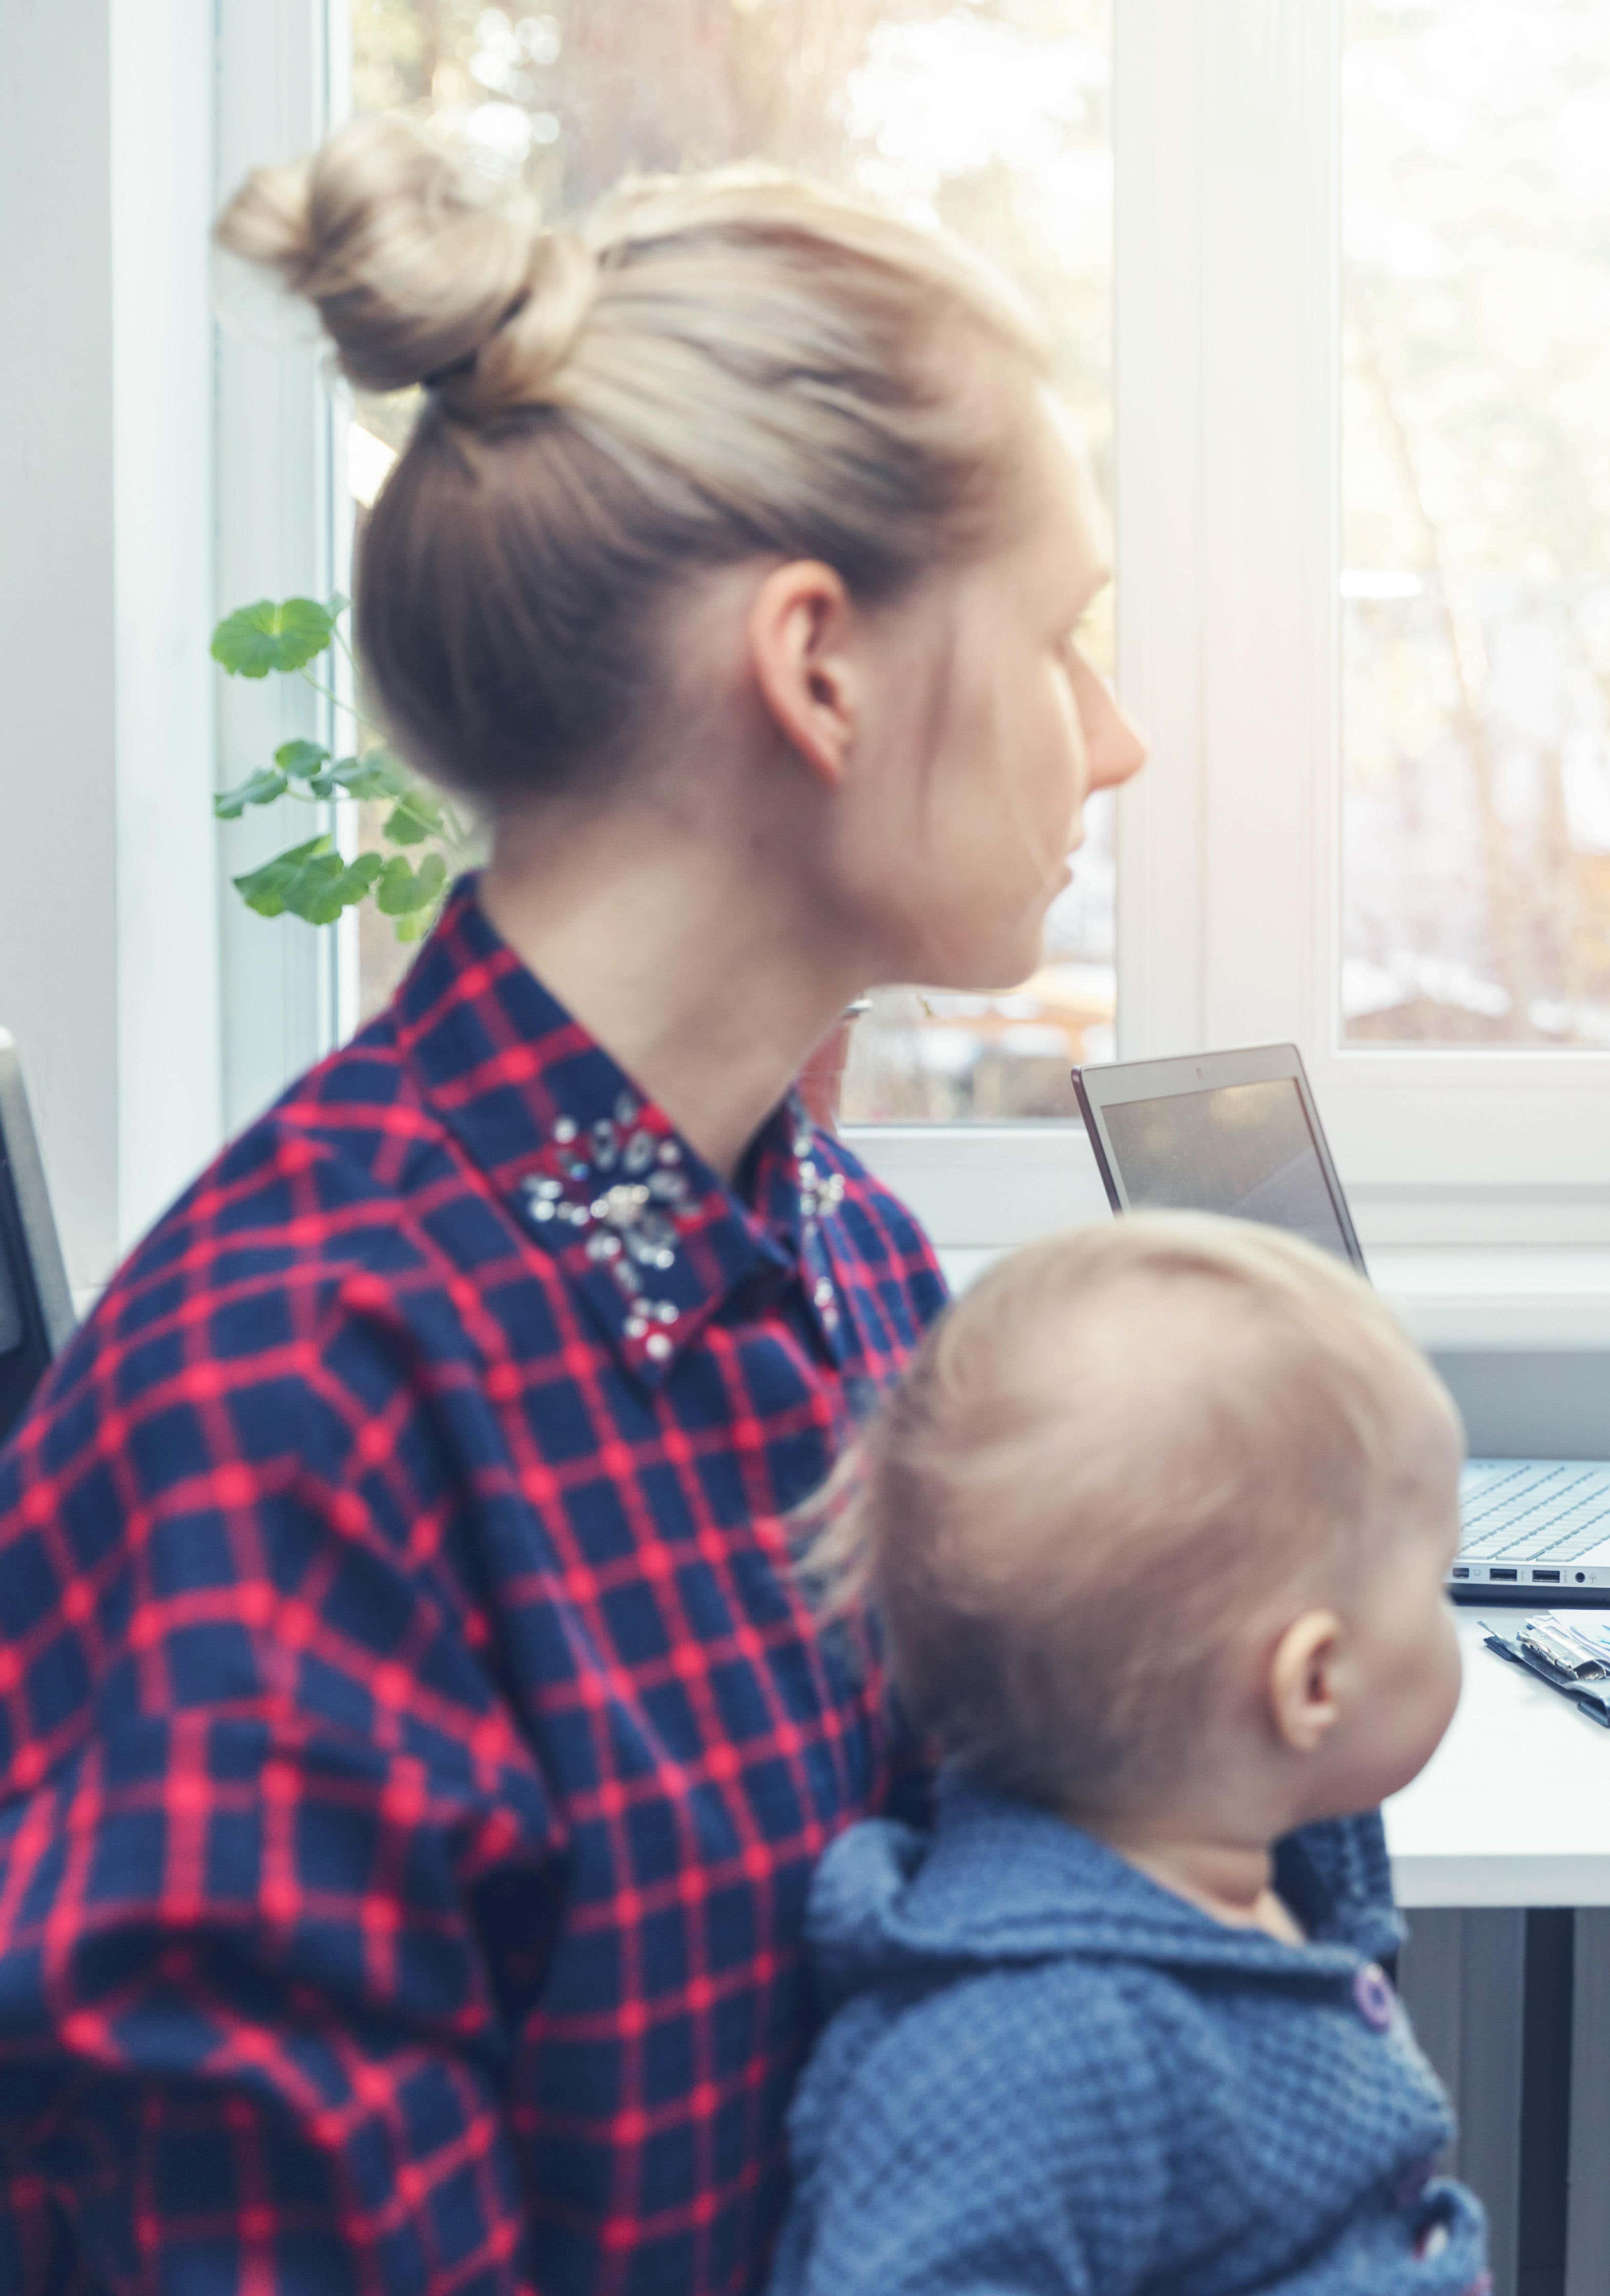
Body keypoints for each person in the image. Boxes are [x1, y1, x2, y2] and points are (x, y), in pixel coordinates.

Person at [0, 115, 1144, 2289]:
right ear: (821, 666)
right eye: (1065, 637)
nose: (1114, 741)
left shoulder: (854, 1270)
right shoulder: (292, 1404)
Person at [765, 1212, 1484, 2295]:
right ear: (1312, 1683)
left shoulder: (1233, 1897)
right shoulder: (1026, 2052)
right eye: (1438, 1582)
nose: (1451, 1622)